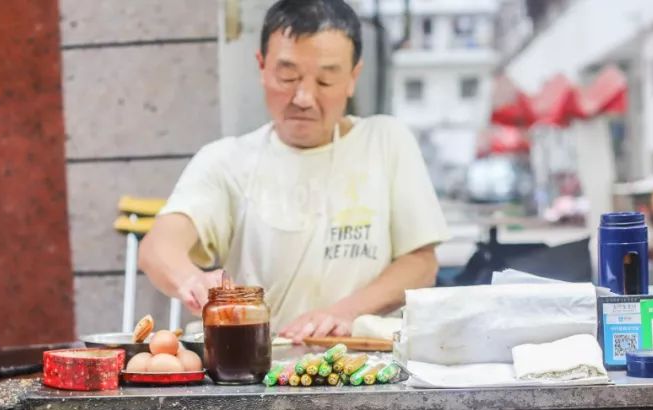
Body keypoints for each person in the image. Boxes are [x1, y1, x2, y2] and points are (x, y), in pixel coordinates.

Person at [139, 0, 448, 341]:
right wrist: (191, 279)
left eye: (326, 81)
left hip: (368, 366)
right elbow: (158, 246)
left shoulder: (386, 142)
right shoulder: (226, 161)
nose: (303, 97)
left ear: (352, 78)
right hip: (263, 369)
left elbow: (421, 264)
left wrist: (343, 313)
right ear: (261, 67)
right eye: (287, 75)